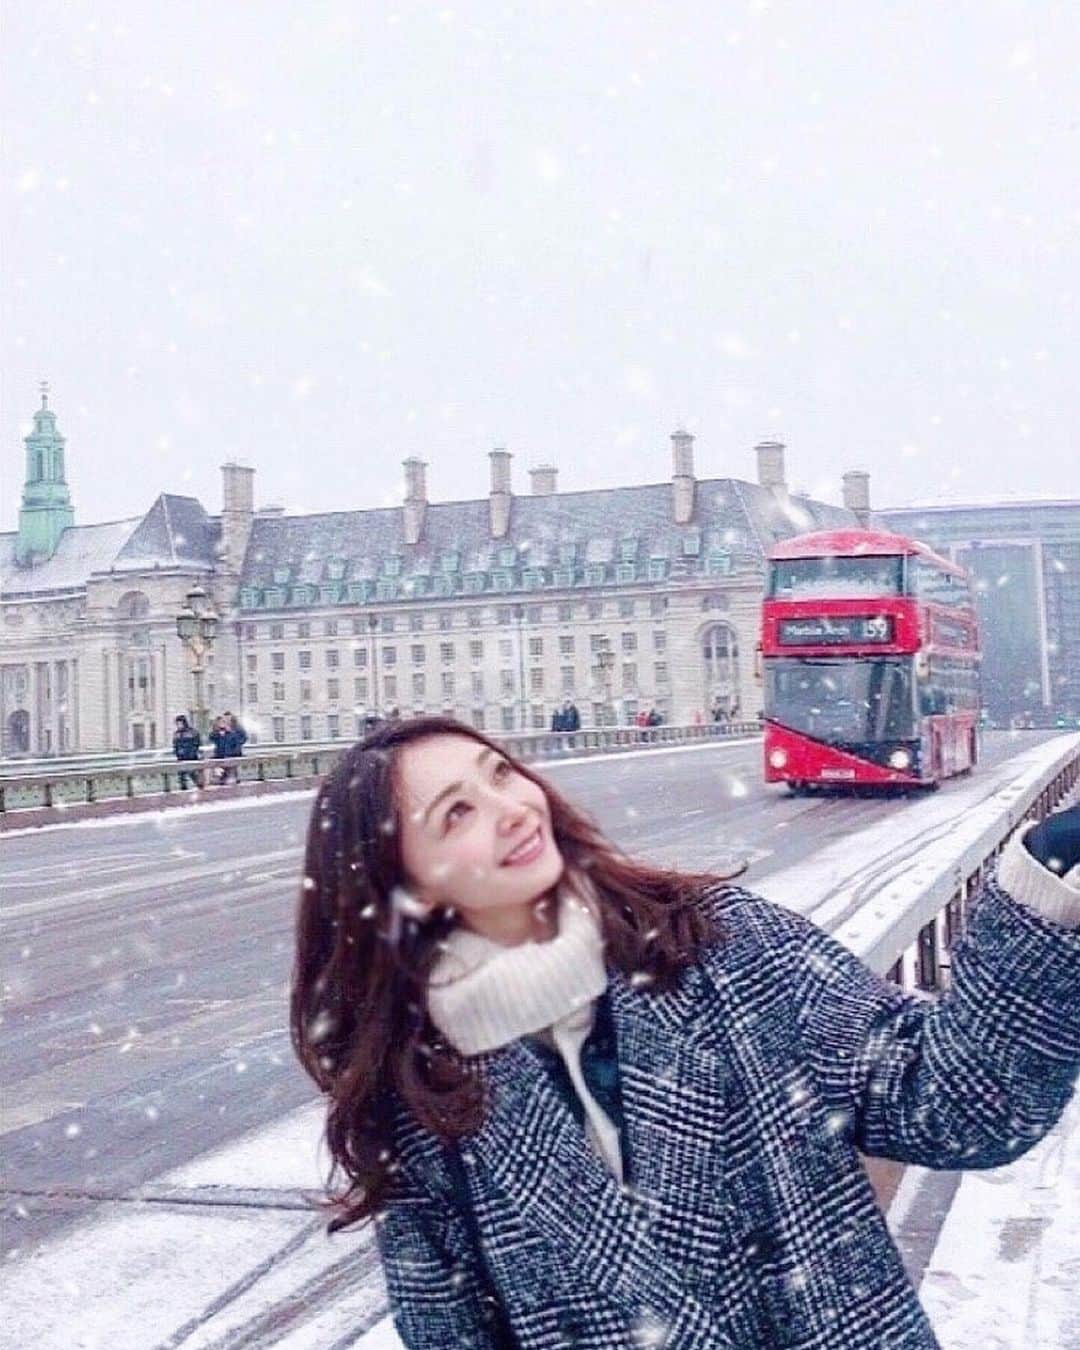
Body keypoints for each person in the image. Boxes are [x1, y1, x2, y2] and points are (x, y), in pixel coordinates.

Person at [291, 716, 1079, 1349]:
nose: (510, 809)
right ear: (404, 885)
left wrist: (1051, 873)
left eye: (501, 773)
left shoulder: (722, 949)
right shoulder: (422, 1106)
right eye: (457, 813)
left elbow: (962, 1101)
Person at [172, 714, 201, 789]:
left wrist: (191, 753)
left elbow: (196, 744)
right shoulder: (177, 734)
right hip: (181, 759)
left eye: (180, 723)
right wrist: (177, 753)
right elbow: (175, 745)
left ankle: (200, 787)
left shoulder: (192, 732)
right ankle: (183, 790)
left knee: (194, 775)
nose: (178, 725)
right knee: (182, 778)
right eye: (177, 723)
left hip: (191, 758)